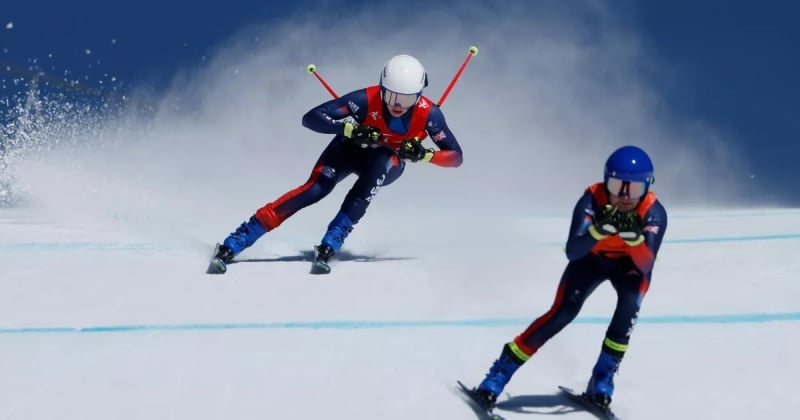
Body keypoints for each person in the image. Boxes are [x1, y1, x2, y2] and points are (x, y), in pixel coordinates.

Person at [209, 54, 464, 274]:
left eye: (406, 99)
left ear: (419, 96)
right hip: (348, 149)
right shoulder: (366, 98)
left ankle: (333, 238)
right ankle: (243, 236)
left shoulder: (429, 114)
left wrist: (425, 154)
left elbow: (455, 156)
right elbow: (311, 118)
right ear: (381, 88)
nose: (397, 104)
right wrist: (350, 129)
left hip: (388, 162)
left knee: (377, 166)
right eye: (391, 95)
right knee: (316, 189)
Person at [468, 145, 668, 412]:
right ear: (606, 181)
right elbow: (574, 252)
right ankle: (498, 375)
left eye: (632, 189)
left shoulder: (654, 212)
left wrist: (634, 240)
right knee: (561, 314)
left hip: (629, 267)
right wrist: (597, 232)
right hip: (590, 261)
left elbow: (645, 264)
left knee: (628, 309)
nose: (623, 196)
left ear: (647, 187)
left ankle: (602, 380)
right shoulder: (592, 200)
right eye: (617, 185)